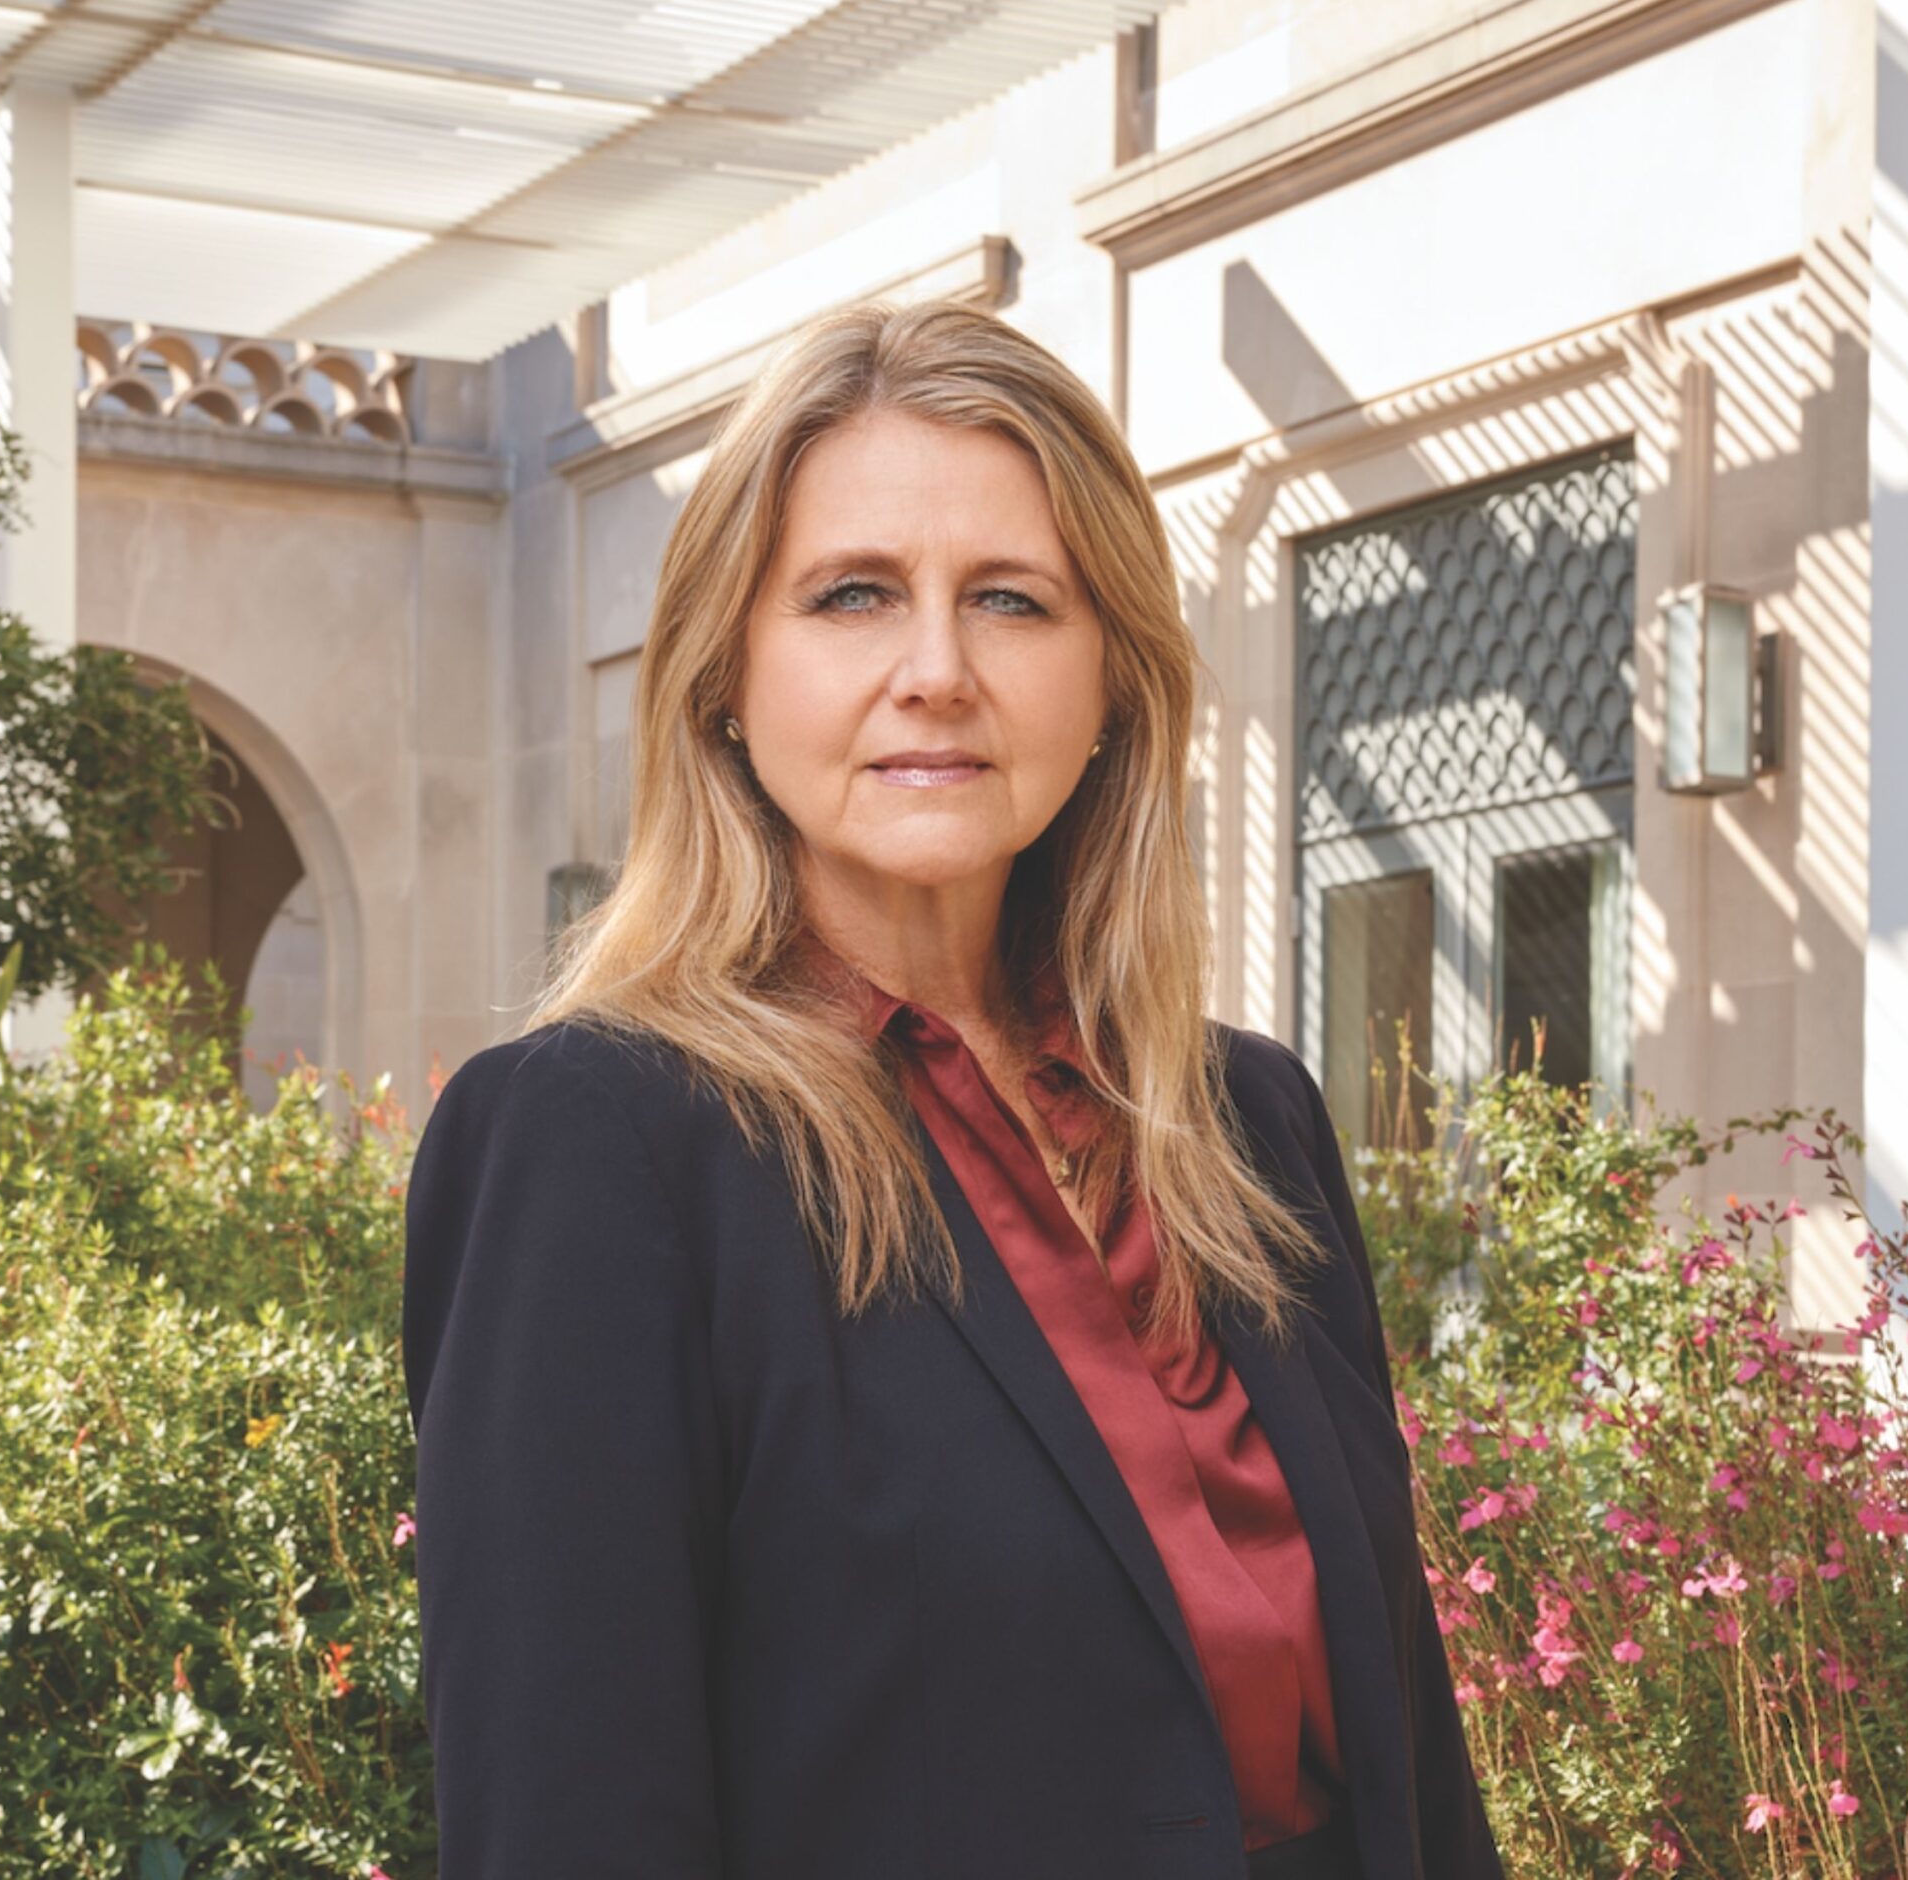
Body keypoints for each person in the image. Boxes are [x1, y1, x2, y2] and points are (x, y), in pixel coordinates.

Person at [402, 299, 1505, 1880]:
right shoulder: (596, 1146)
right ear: (725, 672)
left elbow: (1417, 1769)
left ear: (1113, 674)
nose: (937, 671)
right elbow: (570, 1824)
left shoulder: (1243, 1125)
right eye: (853, 596)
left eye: (1011, 600)